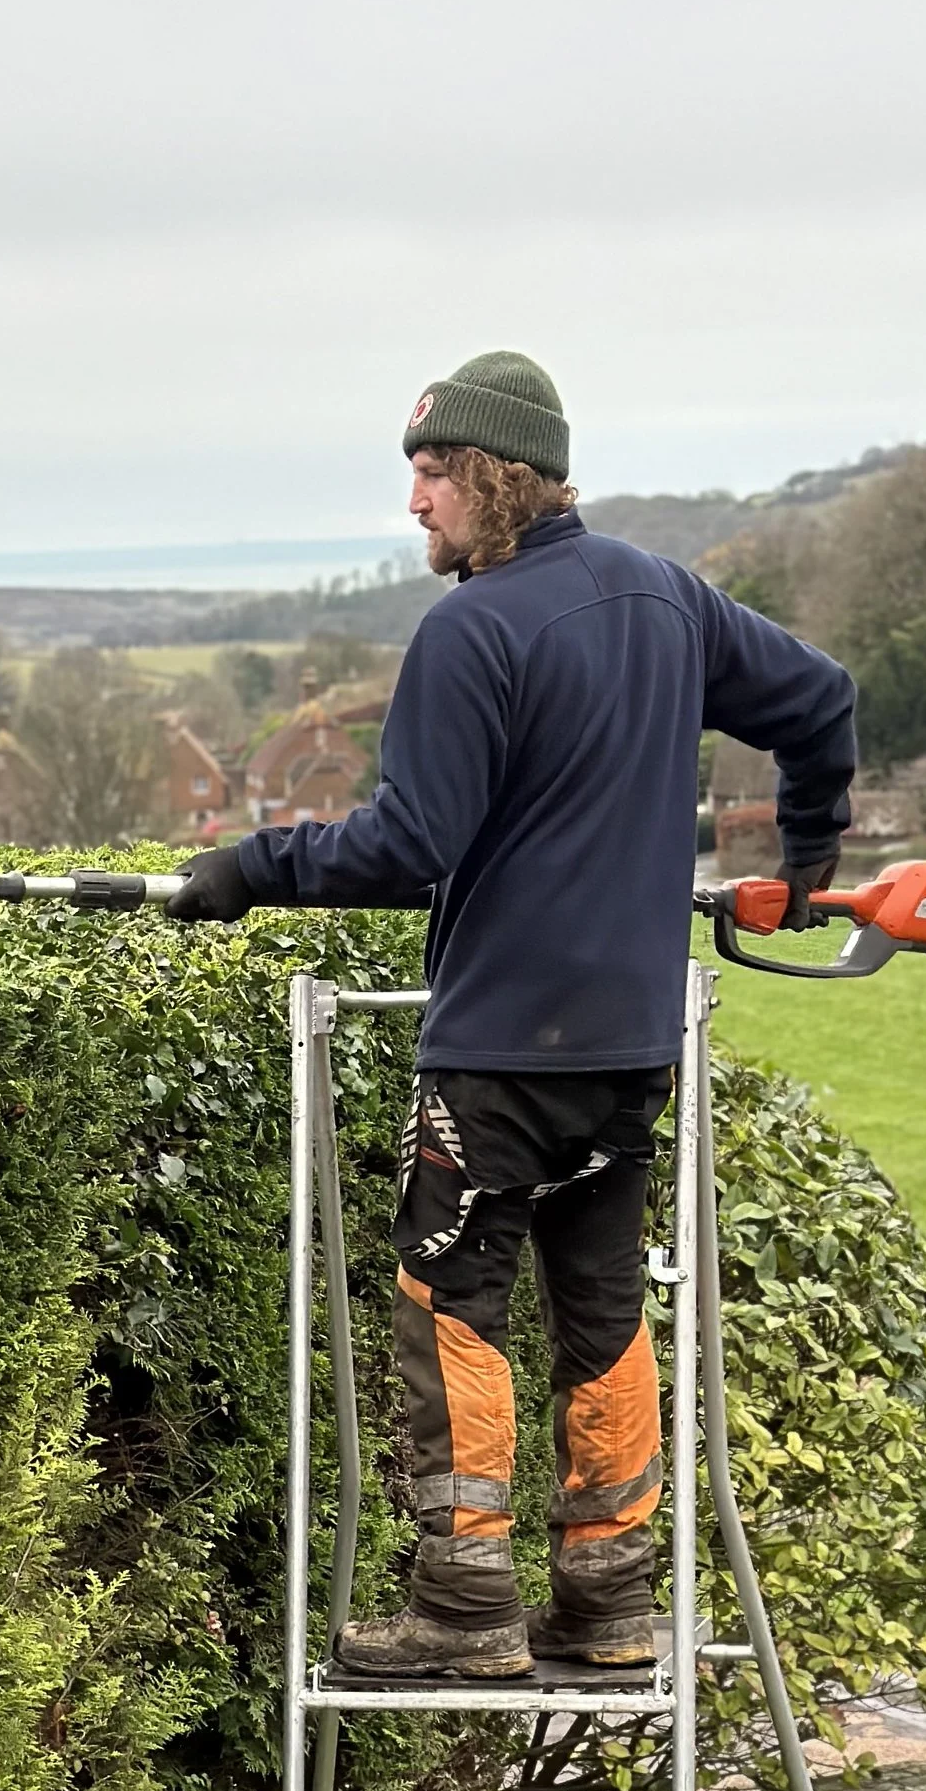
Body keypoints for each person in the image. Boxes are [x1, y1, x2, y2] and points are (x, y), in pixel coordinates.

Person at [169, 349, 857, 1679]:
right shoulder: (667, 600)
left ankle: (464, 1607)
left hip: (496, 1058)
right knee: (600, 1306)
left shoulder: (471, 634)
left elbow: (405, 846)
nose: (417, 504)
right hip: (626, 1053)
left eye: (430, 475)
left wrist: (254, 870)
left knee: (451, 1299)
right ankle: (610, 1602)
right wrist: (808, 864)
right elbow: (821, 702)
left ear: (491, 476)